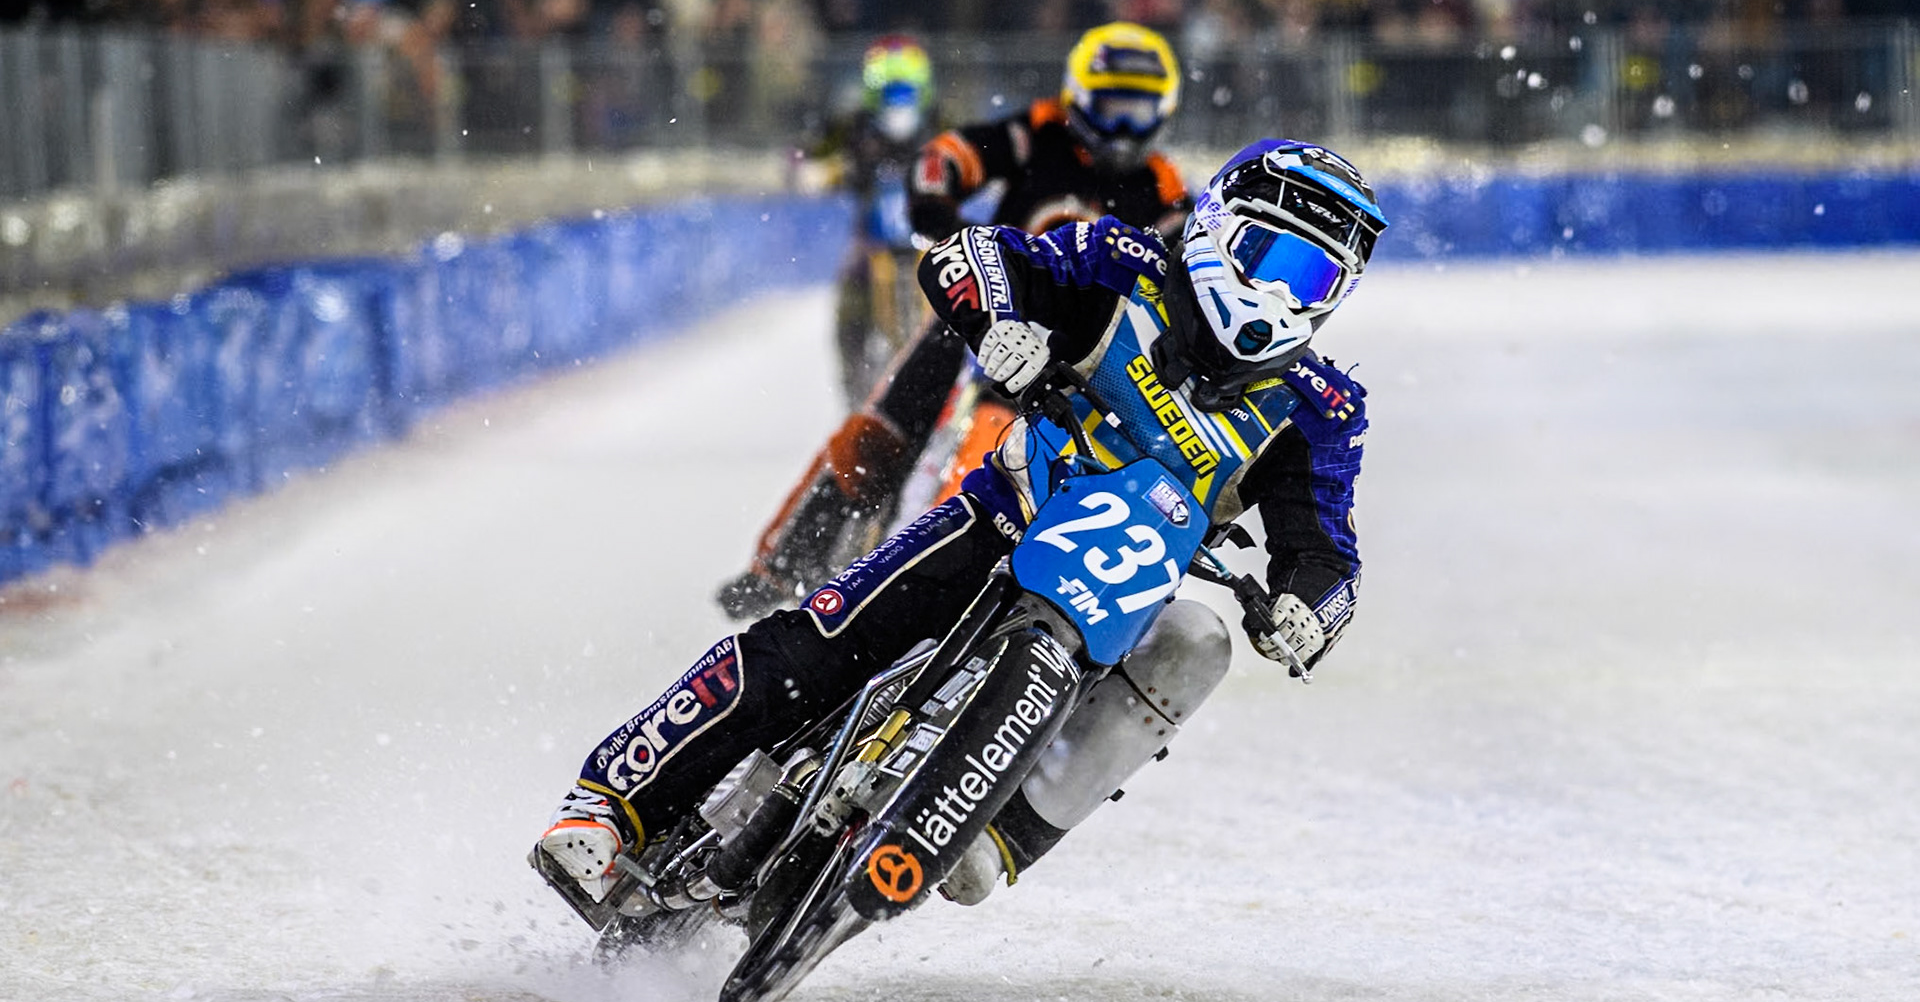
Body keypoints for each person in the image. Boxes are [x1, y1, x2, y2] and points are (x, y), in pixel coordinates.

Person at [537, 138, 1386, 913]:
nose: (1279, 296)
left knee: (1199, 645)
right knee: (826, 635)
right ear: (1214, 232)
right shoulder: (1119, 261)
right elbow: (969, 257)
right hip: (1004, 512)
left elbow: (1327, 553)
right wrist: (997, 325)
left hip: (1125, 597)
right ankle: (610, 805)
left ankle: (1004, 834)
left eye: (1312, 281)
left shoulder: (1321, 411)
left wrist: (1308, 610)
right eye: (1267, 258)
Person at [715, 21, 1193, 621]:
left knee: (997, 455)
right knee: (876, 433)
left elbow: (1188, 275)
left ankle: (941, 586)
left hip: (1067, 357)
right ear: (1078, 96)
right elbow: (943, 159)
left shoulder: (1163, 186)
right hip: (968, 308)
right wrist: (938, 217)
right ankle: (781, 567)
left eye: (1138, 111)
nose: (1121, 128)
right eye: (1110, 107)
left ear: (1164, 110)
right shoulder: (1035, 133)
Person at [804, 34, 941, 404]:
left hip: (932, 242)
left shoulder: (940, 125)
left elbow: (978, 153)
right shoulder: (852, 127)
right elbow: (808, 156)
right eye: (889, 93)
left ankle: (962, 388)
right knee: (850, 309)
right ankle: (857, 393)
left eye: (905, 92)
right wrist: (820, 170)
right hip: (871, 244)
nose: (897, 103)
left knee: (965, 299)